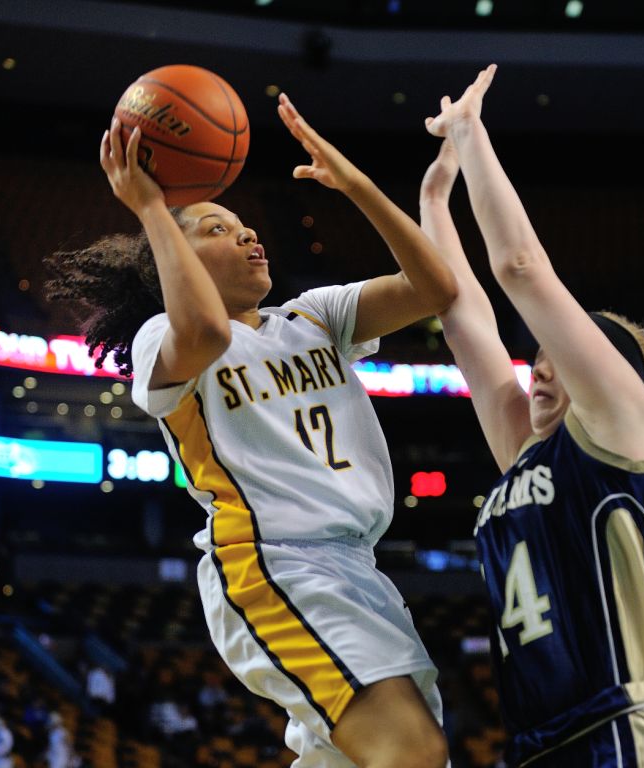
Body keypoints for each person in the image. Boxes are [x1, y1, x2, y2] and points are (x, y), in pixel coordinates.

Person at [46, 92, 456, 768]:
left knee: (367, 760)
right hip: (274, 563)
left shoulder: (314, 317)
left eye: (242, 225)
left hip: (359, 566)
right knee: (411, 752)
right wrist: (151, 210)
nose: (244, 234)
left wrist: (355, 185)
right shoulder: (161, 337)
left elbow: (436, 287)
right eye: (215, 229)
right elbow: (205, 330)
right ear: (172, 259)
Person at [419, 65, 644, 767]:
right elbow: (462, 320)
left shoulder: (624, 432)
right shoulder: (527, 454)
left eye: (559, 356)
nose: (539, 369)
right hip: (539, 746)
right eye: (537, 358)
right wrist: (435, 199)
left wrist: (470, 133)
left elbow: (520, 267)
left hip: (632, 730)